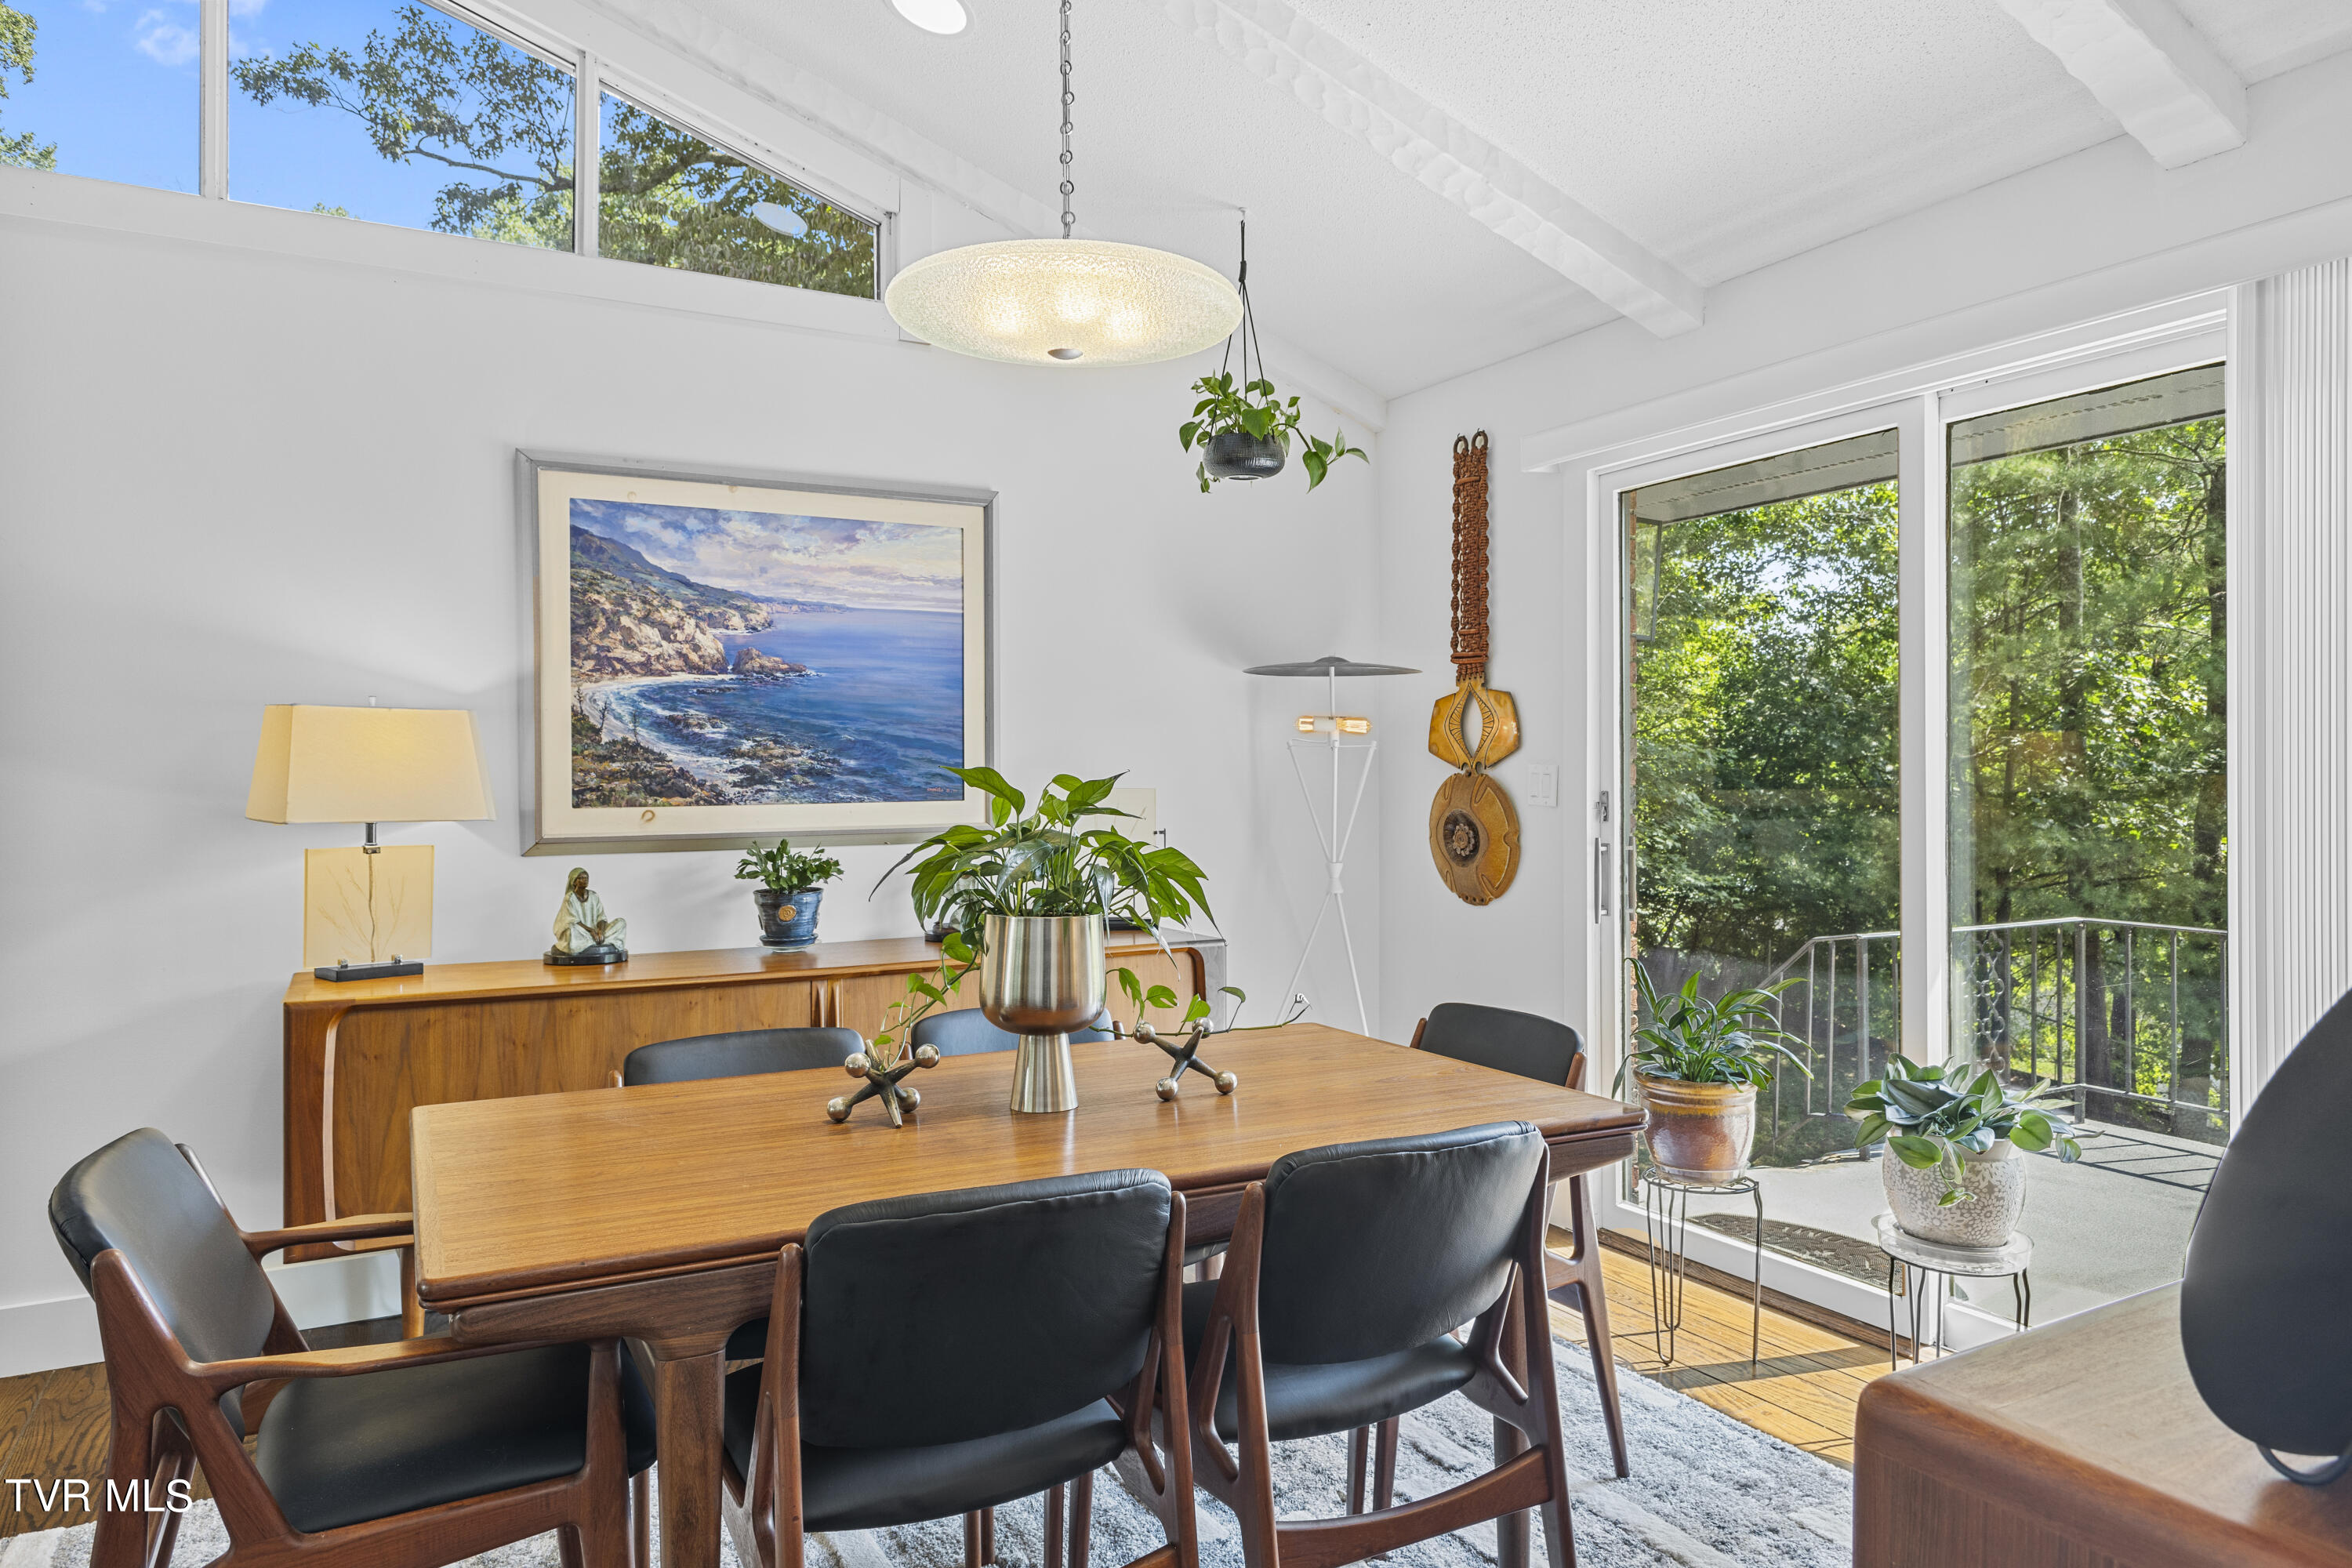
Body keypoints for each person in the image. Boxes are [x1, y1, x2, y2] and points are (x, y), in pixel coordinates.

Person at [551, 867, 627, 956]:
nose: (585, 880)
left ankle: (595, 941)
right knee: (571, 929)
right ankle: (591, 942)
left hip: (596, 933)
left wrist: (600, 932)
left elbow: (601, 917)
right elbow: (572, 920)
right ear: (574, 881)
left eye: (586, 878)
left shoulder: (594, 896)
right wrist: (591, 931)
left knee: (621, 923)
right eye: (581, 878)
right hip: (582, 932)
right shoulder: (570, 898)